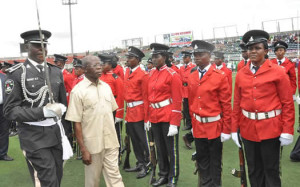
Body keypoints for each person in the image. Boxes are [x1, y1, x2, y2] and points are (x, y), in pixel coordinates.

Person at [3, 30, 68, 186]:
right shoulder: (16, 74)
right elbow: (10, 110)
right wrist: (43, 112)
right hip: (34, 136)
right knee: (48, 180)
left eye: (44, 46)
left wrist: (64, 124)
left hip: (55, 132)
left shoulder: (55, 72)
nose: (42, 50)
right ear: (27, 47)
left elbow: (63, 102)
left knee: (57, 177)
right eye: (37, 46)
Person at [232, 30, 295, 187]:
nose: (253, 51)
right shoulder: (241, 74)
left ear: (266, 51)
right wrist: (234, 129)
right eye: (250, 48)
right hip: (247, 129)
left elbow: (287, 103)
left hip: (271, 129)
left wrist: (287, 130)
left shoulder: (278, 72)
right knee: (253, 170)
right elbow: (237, 104)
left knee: (271, 170)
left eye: (257, 48)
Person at [66, 55, 124, 187]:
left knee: (115, 178)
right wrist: (83, 149)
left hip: (111, 141)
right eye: (95, 65)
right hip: (92, 145)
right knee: (93, 181)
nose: (99, 67)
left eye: (100, 64)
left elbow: (112, 111)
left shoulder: (106, 87)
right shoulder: (78, 91)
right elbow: (77, 123)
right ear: (85, 69)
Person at [188, 40, 232, 187]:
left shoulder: (219, 76)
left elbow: (226, 104)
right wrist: (193, 125)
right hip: (198, 125)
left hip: (214, 125)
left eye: (200, 54)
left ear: (209, 56)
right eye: (195, 54)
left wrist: (226, 129)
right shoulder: (192, 75)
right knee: (202, 160)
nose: (196, 57)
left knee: (215, 161)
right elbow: (192, 102)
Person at [146, 43, 182, 187]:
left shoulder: (172, 75)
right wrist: (148, 117)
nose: (154, 59)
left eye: (157, 56)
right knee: (160, 148)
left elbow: (177, 100)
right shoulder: (152, 73)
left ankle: (173, 178)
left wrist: (174, 122)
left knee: (171, 150)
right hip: (155, 115)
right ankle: (163, 174)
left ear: (165, 57)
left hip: (167, 116)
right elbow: (149, 97)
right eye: (153, 57)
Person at [123, 46, 150, 178]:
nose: (127, 59)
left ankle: (147, 165)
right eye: (127, 57)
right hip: (130, 111)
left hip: (139, 111)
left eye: (130, 57)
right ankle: (140, 162)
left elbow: (146, 97)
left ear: (138, 60)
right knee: (134, 140)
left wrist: (146, 118)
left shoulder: (143, 74)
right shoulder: (128, 72)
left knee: (142, 140)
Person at [98, 53, 124, 163]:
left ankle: (117, 156)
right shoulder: (99, 77)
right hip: (101, 109)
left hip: (112, 109)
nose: (101, 66)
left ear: (109, 64)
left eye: (104, 64)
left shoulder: (116, 78)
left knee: (115, 134)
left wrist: (119, 114)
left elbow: (121, 96)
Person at [180, 51, 196, 132]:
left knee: (192, 108)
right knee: (185, 109)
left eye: (185, 58)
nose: (184, 59)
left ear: (189, 58)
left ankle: (192, 123)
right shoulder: (182, 68)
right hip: (184, 90)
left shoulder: (193, 67)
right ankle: (188, 124)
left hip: (190, 90)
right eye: (183, 58)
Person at [0, 72, 13, 161]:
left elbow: (11, 93)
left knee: (4, 130)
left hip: (3, 107)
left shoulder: (5, 78)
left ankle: (3, 153)